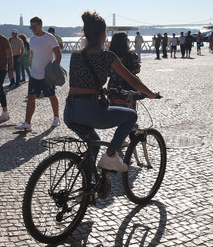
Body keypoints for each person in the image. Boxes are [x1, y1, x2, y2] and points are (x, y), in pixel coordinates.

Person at [64, 11, 158, 172]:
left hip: (70, 111)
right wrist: (151, 94)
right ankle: (110, 155)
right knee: (131, 116)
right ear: (103, 34)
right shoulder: (107, 56)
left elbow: (82, 82)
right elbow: (132, 79)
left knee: (93, 145)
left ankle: (86, 191)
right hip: (90, 111)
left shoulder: (76, 55)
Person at [15, 17, 61, 131]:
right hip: (34, 74)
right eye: (31, 27)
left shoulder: (50, 38)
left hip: (47, 75)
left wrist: (54, 69)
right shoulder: (32, 39)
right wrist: (31, 67)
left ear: (41, 25)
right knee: (31, 97)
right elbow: (33, 54)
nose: (33, 29)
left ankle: (56, 117)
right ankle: (27, 122)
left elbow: (58, 55)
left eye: (34, 26)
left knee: (51, 96)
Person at [107, 32, 140, 107]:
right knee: (129, 111)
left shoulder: (109, 56)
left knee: (113, 110)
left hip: (113, 87)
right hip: (128, 88)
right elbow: (137, 70)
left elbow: (107, 72)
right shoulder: (132, 56)